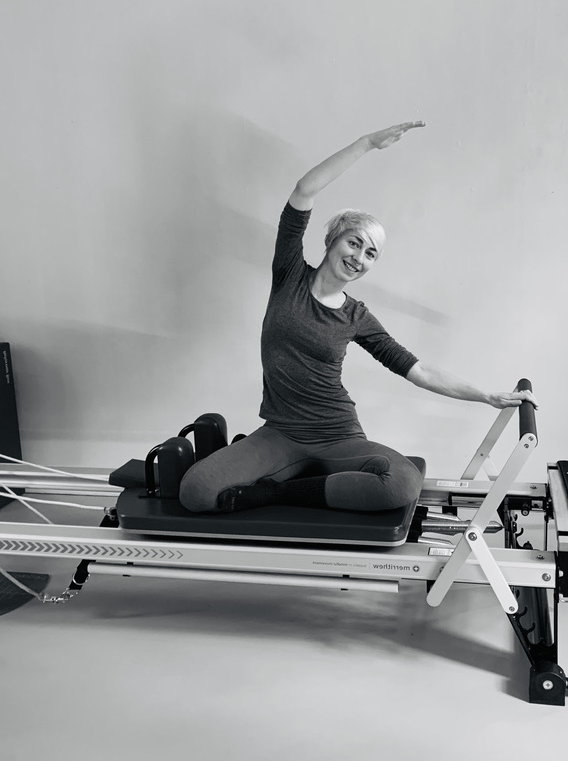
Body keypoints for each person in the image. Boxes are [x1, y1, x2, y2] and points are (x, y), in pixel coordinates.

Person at [178, 122, 538, 514]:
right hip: (280, 433)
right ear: (332, 240)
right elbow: (304, 190)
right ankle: (289, 473)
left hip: (337, 435)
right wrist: (366, 144)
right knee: (195, 491)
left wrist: (486, 396)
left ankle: (277, 490)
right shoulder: (289, 275)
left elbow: (418, 370)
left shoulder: (356, 316)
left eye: (371, 254)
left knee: (399, 485)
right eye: (354, 243)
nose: (359, 258)